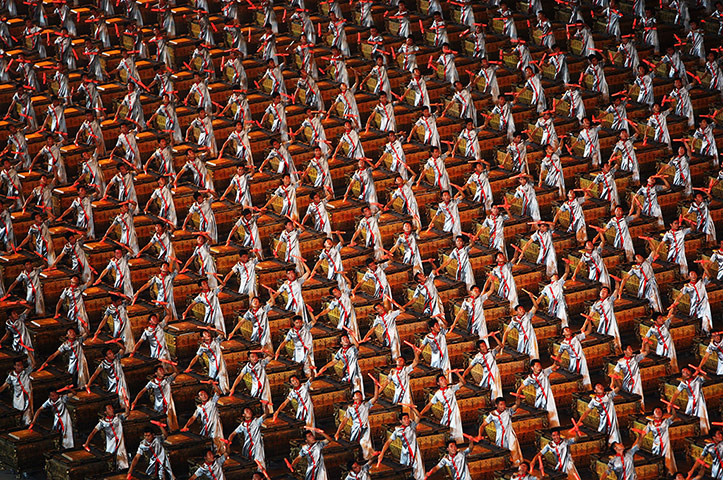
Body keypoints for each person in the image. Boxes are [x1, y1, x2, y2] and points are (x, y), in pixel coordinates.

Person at [334, 383, 381, 459]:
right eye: (357, 394)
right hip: (356, 428)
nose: (359, 395)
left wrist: (375, 385)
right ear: (353, 397)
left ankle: (369, 455)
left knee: (364, 441)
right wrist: (337, 432)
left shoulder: (366, 405)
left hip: (365, 427)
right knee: (354, 444)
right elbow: (344, 421)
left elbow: (375, 397)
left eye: (360, 394)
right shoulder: (350, 409)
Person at [131, 364, 179, 431]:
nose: (162, 371)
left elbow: (176, 372)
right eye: (160, 370)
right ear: (156, 373)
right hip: (159, 405)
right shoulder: (152, 382)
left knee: (171, 423)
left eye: (162, 370)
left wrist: (172, 364)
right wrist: (135, 400)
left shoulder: (167, 379)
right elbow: (142, 391)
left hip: (168, 404)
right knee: (159, 425)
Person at [419, 372, 465, 442]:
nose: (444, 381)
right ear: (438, 383)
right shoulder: (438, 394)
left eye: (444, 379)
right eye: (441, 380)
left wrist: (457, 373)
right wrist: (420, 414)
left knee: (455, 431)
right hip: (447, 415)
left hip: (454, 413)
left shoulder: (451, 388)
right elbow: (429, 405)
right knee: (443, 431)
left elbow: (463, 382)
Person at [83, 403, 130, 470]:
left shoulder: (118, 417)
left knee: (123, 466)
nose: (112, 410)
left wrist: (127, 406)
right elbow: (93, 433)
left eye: (112, 408)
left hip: (120, 446)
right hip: (111, 447)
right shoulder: (103, 422)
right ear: (105, 412)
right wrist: (87, 443)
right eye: (109, 409)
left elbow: (127, 414)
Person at [477, 396, 523, 464]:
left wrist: (518, 398)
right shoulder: (492, 414)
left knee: (514, 451)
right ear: (496, 405)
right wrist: (479, 435)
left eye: (504, 404)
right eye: (501, 404)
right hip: (500, 437)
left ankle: (516, 465)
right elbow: (483, 425)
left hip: (510, 435)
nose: (503, 406)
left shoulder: (508, 411)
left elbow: (517, 405)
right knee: (502, 454)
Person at [317, 332, 364, 396]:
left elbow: (357, 345)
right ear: (341, 343)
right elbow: (334, 361)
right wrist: (325, 367)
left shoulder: (353, 349)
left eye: (347, 339)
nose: (346, 340)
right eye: (343, 339)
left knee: (357, 390)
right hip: (346, 373)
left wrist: (352, 336)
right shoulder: (341, 351)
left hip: (355, 373)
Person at [184, 327, 230, 394]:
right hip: (213, 364)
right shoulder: (203, 346)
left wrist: (213, 329)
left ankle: (225, 393)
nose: (207, 334)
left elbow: (222, 334)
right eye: (205, 334)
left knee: (223, 377)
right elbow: (196, 357)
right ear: (202, 338)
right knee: (213, 380)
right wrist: (189, 367)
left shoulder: (216, 340)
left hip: (220, 362)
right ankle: (216, 394)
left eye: (207, 333)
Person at [181, 383, 226, 450]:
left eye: (205, 394)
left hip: (215, 427)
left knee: (218, 444)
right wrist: (186, 425)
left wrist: (213, 384)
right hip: (206, 427)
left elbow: (218, 392)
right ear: (199, 398)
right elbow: (193, 417)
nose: (204, 396)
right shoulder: (199, 408)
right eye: (201, 395)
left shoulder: (212, 402)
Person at [517, 359, 560, 427]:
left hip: (548, 395)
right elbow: (521, 387)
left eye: (539, 366)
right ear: (532, 368)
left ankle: (554, 427)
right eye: (536, 366)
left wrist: (555, 363)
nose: (539, 368)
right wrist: (518, 395)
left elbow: (552, 367)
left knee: (551, 411)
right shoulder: (530, 378)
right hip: (539, 396)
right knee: (539, 411)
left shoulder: (544, 372)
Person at [668, 366, 710, 434]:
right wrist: (671, 403)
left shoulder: (698, 378)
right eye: (683, 372)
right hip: (691, 402)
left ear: (690, 371)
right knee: (689, 418)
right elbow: (676, 393)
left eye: (687, 371)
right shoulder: (684, 383)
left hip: (700, 401)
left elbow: (706, 378)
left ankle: (703, 432)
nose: (686, 373)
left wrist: (701, 372)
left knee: (702, 417)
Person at [230, 349, 273, 414]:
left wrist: (266, 351)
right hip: (255, 387)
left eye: (256, 356)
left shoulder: (261, 362)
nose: (255, 358)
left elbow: (271, 356)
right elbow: (240, 376)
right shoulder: (247, 366)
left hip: (264, 386)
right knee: (253, 403)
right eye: (252, 357)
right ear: (249, 358)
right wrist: (233, 388)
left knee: (266, 405)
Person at [555, 319, 593, 389]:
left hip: (581, 359)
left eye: (568, 329)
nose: (568, 330)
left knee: (585, 374)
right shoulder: (563, 344)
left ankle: (587, 388)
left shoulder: (576, 337)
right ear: (563, 334)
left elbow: (588, 331)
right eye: (566, 330)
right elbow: (559, 354)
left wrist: (589, 321)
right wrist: (555, 363)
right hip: (573, 361)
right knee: (573, 375)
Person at [0, 358, 35, 425]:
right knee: (17, 418)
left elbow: (33, 364)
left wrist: (29, 352)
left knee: (28, 419)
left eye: (21, 365)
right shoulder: (11, 376)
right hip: (18, 399)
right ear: (14, 366)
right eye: (18, 365)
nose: (20, 367)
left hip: (27, 398)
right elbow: (4, 386)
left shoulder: (26, 372)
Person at [613, 344, 646, 408]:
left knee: (639, 399)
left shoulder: (635, 358)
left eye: (631, 349)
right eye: (629, 349)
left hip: (636, 384)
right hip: (626, 383)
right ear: (625, 351)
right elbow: (615, 373)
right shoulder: (620, 361)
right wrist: (613, 383)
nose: (631, 351)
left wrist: (644, 344)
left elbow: (646, 352)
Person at [645, 406, 677, 473]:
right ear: (653, 414)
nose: (658, 412)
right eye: (656, 411)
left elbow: (674, 416)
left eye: (660, 411)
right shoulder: (650, 424)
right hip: (656, 445)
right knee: (657, 462)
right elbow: (644, 432)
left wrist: (672, 407)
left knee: (668, 462)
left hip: (666, 445)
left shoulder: (666, 422)